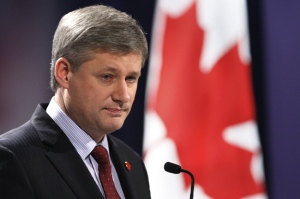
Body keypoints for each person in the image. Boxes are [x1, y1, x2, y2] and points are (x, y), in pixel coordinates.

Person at [0, 4, 151, 199]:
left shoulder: (133, 163)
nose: (123, 96)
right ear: (64, 73)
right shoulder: (12, 159)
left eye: (130, 78)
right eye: (107, 77)